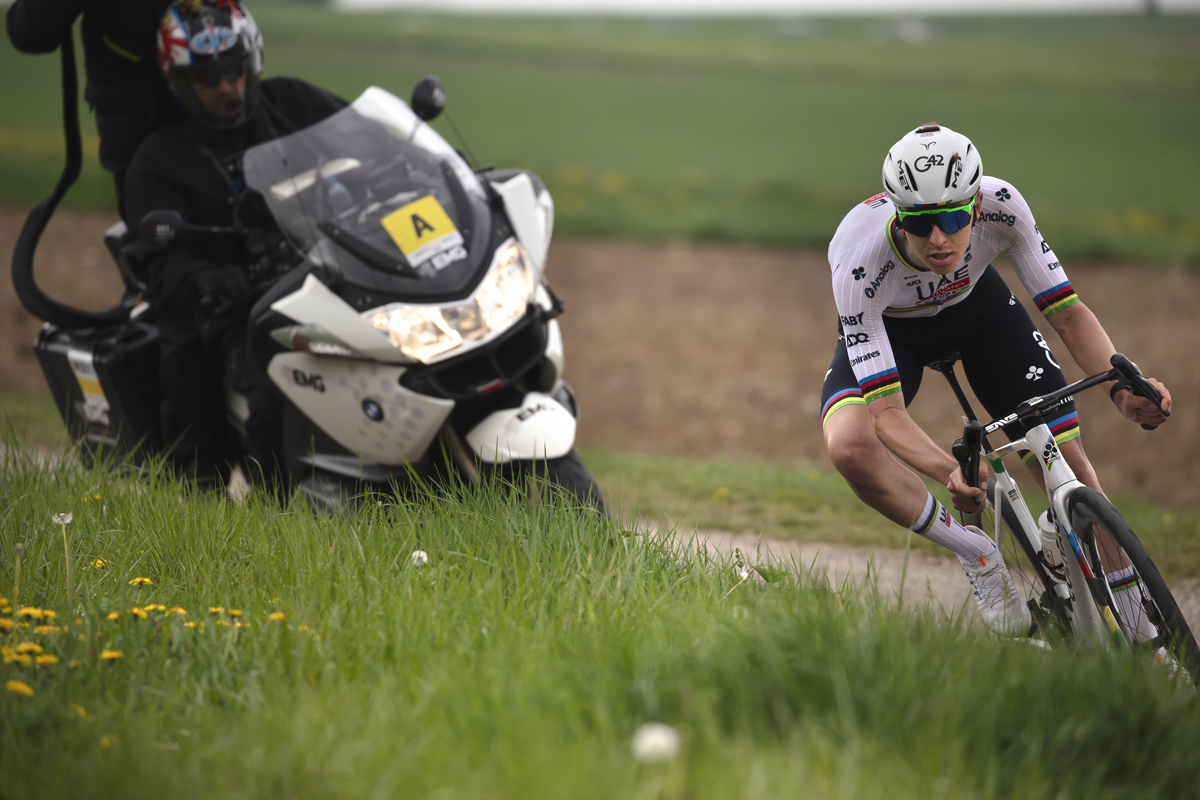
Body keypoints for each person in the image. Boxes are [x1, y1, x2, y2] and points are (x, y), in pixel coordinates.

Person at [819, 123, 1172, 635]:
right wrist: (948, 471)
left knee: (1070, 467)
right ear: (898, 216)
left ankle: (1149, 637)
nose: (939, 239)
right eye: (921, 224)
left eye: (954, 218)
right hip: (894, 330)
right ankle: (978, 553)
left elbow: (1068, 314)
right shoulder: (859, 265)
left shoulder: (1004, 204)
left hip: (978, 312)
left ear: (977, 207)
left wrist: (1120, 388)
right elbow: (886, 413)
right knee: (849, 445)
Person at [124, 0, 345, 487]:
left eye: (233, 70)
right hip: (243, 308)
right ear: (179, 82)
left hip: (340, 275)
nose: (226, 85)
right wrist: (213, 278)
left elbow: (368, 137)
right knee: (273, 398)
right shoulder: (159, 160)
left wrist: (435, 164)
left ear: (252, 63)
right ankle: (278, 509)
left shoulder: (292, 105)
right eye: (208, 77)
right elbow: (159, 265)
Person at [6, 0, 178, 221]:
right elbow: (31, 32)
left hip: (210, 114)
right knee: (164, 239)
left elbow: (29, 31)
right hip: (143, 130)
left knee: (172, 240)